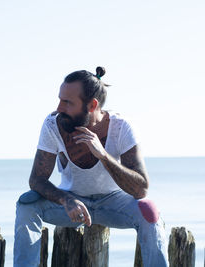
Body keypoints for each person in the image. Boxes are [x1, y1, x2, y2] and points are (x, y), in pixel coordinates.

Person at [13, 67, 168, 267]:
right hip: (71, 204)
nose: (59, 108)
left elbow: (141, 189)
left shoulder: (121, 127)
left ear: (92, 105)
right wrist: (66, 199)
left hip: (113, 204)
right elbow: (36, 179)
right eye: (60, 99)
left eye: (68, 102)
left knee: (149, 211)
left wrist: (103, 155)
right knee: (27, 204)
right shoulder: (53, 124)